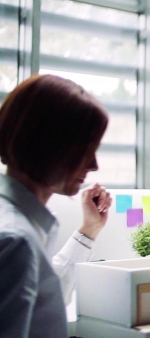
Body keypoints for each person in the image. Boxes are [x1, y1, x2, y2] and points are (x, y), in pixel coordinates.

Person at [0, 74, 112, 337]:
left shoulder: (21, 226)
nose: (93, 165)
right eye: (86, 150)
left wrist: (89, 230)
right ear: (50, 145)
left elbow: (45, 298)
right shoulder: (16, 240)